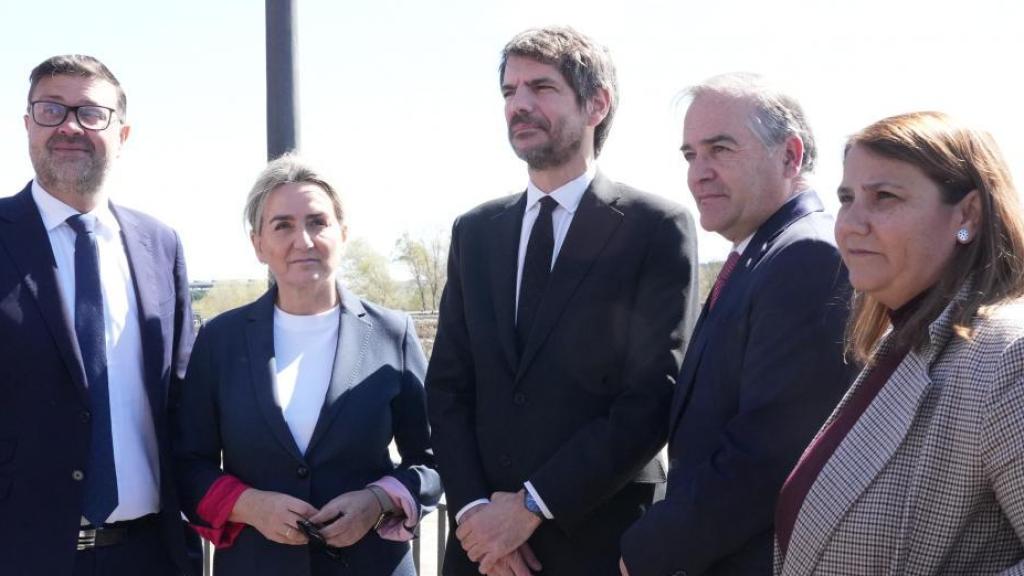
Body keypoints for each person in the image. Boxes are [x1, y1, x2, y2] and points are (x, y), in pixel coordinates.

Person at [426, 26, 699, 576]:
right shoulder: (475, 232)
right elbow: (449, 386)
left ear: (597, 103)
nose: (519, 105)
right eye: (509, 91)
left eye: (541, 88)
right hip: (481, 553)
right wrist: (479, 514)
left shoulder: (656, 228)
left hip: (598, 541)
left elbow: (651, 398)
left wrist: (531, 505)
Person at [620, 73, 856, 575]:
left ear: (790, 156)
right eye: (690, 155)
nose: (698, 173)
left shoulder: (807, 257)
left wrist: (645, 549)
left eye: (720, 149)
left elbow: (766, 458)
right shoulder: (759, 256)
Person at [774, 111, 1024, 574]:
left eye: (884, 197)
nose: (850, 224)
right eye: (846, 199)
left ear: (966, 214)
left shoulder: (1006, 356)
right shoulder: (903, 345)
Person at [173, 155, 441, 576]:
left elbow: (435, 459)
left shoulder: (394, 333)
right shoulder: (219, 341)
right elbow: (187, 466)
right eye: (282, 225)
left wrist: (378, 501)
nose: (304, 239)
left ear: (343, 233)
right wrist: (251, 507)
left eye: (318, 222)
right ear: (258, 244)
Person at [0, 55, 197, 575]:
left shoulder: (160, 246)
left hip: (150, 555)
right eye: (50, 109)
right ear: (26, 126)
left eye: (91, 113)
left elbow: (182, 401)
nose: (69, 126)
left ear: (123, 132)